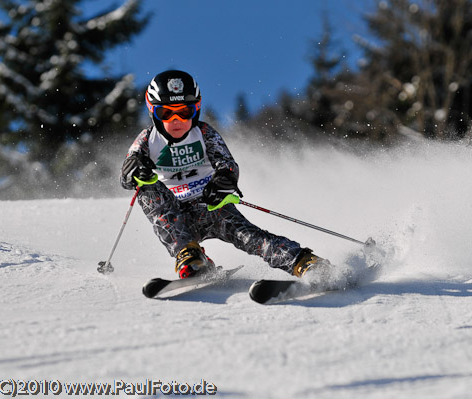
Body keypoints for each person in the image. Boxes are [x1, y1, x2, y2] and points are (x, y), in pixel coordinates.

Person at [120, 70, 329, 280]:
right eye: (166, 113)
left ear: (197, 109)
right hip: (174, 215)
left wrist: (222, 181)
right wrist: (134, 170)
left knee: (249, 237)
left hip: (211, 206)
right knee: (145, 187)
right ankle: (190, 255)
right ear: (152, 112)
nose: (176, 120)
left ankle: (303, 262)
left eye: (185, 112)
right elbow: (126, 176)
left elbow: (227, 164)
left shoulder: (203, 133)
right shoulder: (147, 140)